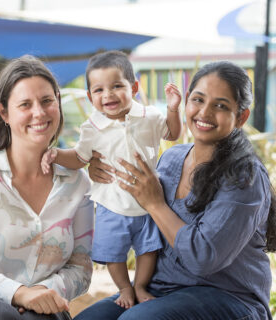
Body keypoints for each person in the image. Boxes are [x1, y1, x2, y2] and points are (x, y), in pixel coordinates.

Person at [74, 60, 276, 320]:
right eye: (198, 100)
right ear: (186, 101)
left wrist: (156, 204)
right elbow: (131, 201)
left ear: (241, 117)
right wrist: (98, 171)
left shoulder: (244, 176)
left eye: (221, 105)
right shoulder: (171, 159)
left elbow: (203, 259)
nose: (204, 112)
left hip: (229, 296)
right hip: (163, 289)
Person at [0, 55, 94, 320]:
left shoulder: (78, 183)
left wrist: (43, 292)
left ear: (58, 103)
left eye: (46, 101)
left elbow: (81, 268)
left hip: (44, 310)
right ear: (4, 113)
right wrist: (19, 292)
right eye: (25, 105)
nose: (39, 113)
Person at [41, 50, 182, 309]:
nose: (108, 95)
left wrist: (173, 109)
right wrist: (56, 154)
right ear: (89, 97)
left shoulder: (149, 116)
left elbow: (172, 133)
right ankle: (124, 288)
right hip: (111, 204)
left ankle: (140, 285)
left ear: (134, 87)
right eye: (99, 90)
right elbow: (80, 158)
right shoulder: (91, 128)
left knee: (148, 250)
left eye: (117, 86)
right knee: (114, 255)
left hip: (148, 204)